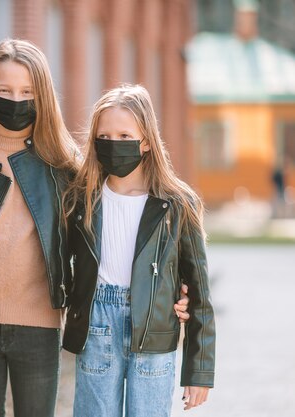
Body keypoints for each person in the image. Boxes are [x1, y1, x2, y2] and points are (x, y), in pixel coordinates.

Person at [0, 40, 190, 417]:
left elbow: (110, 242)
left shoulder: (64, 169)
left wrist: (170, 292)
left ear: (42, 96)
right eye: (4, 90)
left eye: (27, 92)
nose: (16, 100)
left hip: (40, 328)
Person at [62, 84, 215, 417]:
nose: (114, 145)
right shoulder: (82, 199)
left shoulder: (177, 204)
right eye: (105, 136)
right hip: (97, 325)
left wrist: (199, 371)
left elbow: (200, 292)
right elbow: (59, 263)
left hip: (155, 328)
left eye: (124, 136)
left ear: (146, 141)